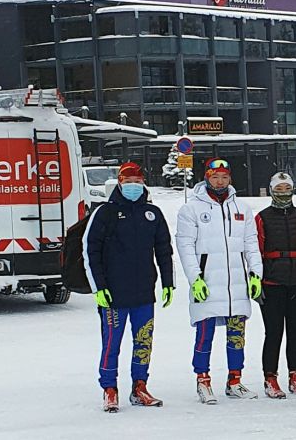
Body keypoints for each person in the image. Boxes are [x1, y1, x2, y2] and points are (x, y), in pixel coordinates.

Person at [83, 162, 174, 413]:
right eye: (128, 182)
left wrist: (168, 282)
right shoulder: (105, 213)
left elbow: (164, 250)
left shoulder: (152, 213)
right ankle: (109, 388)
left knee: (143, 341)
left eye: (137, 182)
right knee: (111, 344)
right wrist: (98, 287)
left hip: (144, 292)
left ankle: (140, 386)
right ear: (119, 184)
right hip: (114, 294)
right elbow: (91, 251)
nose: (133, 186)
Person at [176, 158, 264, 404]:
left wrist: (255, 273)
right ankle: (202, 380)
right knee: (205, 334)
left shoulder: (242, 209)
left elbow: (251, 244)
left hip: (236, 283)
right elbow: (185, 247)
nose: (220, 181)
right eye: (215, 176)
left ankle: (234, 380)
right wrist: (195, 278)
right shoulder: (191, 209)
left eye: (224, 177)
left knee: (237, 334)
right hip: (207, 283)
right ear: (206, 177)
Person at [255, 172, 296, 399]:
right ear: (272, 190)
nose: (283, 193)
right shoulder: (262, 217)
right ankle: (270, 377)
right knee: (273, 332)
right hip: (272, 281)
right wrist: (256, 279)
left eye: (287, 188)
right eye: (279, 189)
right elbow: (256, 251)